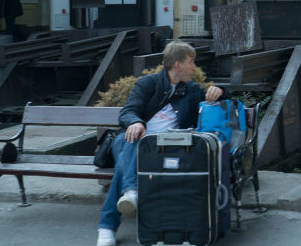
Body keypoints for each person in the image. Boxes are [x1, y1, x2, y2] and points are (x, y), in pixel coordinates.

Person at [96, 41, 225, 246]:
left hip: (163, 148)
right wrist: (136, 122)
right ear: (177, 65)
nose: (195, 68)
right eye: (191, 62)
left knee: (124, 163)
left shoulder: (191, 90)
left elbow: (215, 101)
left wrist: (219, 91)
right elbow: (127, 112)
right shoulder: (147, 83)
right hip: (131, 139)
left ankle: (109, 223)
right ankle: (128, 195)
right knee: (134, 142)